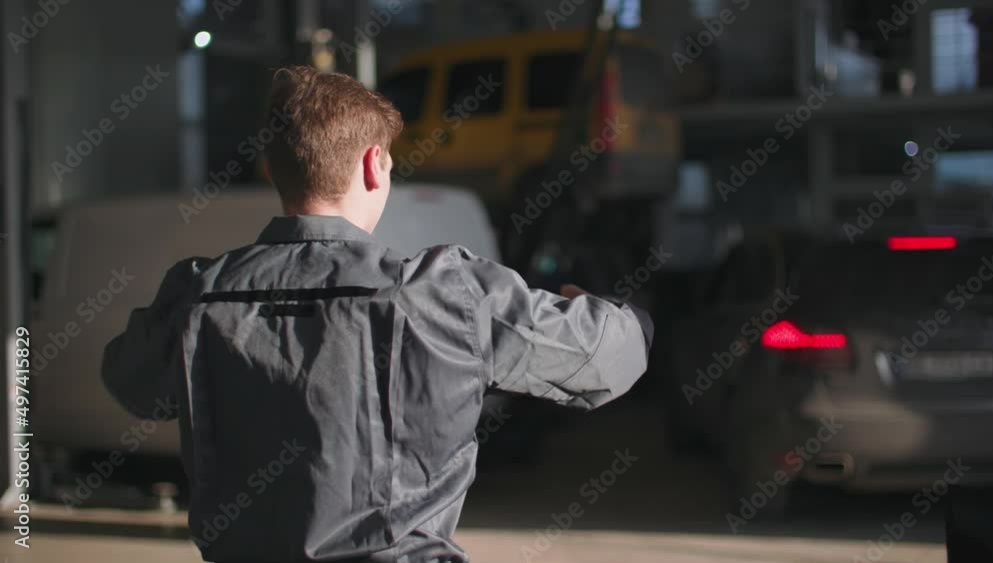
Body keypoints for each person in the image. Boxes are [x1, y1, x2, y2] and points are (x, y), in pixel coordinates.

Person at [101, 66, 653, 563]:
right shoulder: (447, 296)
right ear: (373, 164)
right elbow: (611, 356)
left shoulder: (199, 292)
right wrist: (620, 314)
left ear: (273, 168)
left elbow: (130, 383)